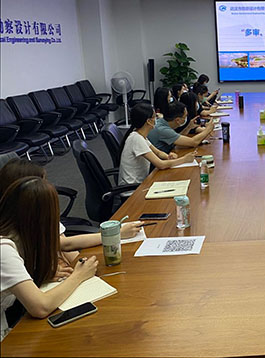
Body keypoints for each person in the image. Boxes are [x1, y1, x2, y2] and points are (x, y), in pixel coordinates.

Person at [0, 159, 143, 282]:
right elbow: (63, 244)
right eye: (42, 183)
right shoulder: (7, 238)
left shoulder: (38, 214)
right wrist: (114, 234)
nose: (49, 186)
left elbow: (63, 246)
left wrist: (80, 266)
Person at [0, 177, 99, 341]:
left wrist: (36, 277)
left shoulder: (18, 237)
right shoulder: (4, 249)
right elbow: (41, 307)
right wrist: (79, 275)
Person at [118, 103, 197, 185]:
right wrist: (184, 159)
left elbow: (158, 153)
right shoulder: (136, 139)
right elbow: (160, 164)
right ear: (148, 121)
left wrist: (168, 157)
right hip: (133, 188)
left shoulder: (141, 136)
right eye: (155, 116)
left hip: (142, 182)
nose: (157, 119)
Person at [147, 101, 215, 154]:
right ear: (177, 120)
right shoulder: (163, 130)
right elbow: (193, 142)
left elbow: (177, 138)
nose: (186, 118)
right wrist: (208, 129)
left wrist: (188, 127)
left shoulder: (162, 122)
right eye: (185, 117)